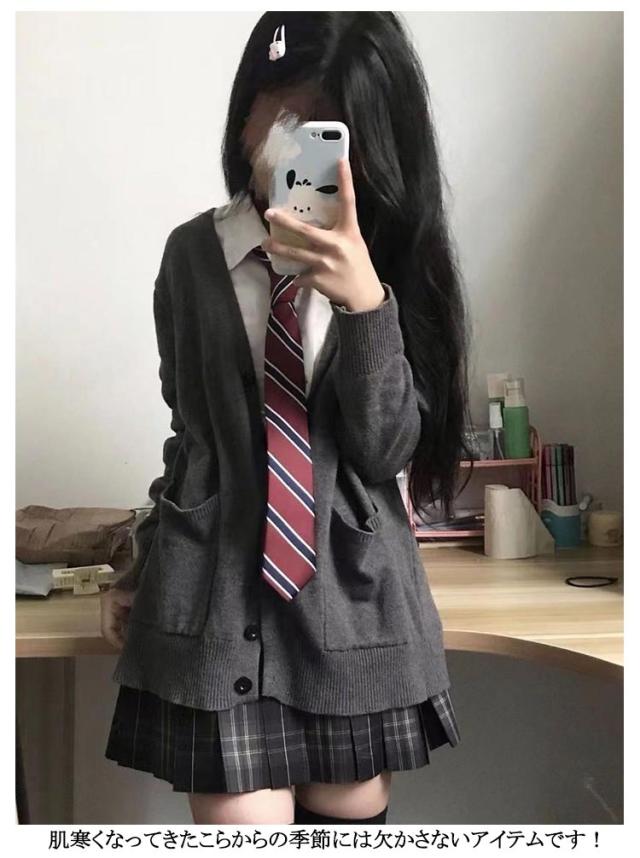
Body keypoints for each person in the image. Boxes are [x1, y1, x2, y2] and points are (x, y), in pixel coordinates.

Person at [101, 11, 472, 826]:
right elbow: (190, 436)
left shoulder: (393, 261)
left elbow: (386, 451)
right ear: (245, 118)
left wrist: (366, 306)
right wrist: (141, 563)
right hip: (217, 604)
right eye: (286, 115)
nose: (301, 146)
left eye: (330, 130)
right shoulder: (192, 256)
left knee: (349, 813)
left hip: (357, 611)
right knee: (241, 822)